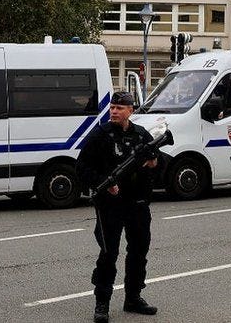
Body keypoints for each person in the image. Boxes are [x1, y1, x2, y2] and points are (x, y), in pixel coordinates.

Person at [76, 91, 160, 323]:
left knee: (138, 251)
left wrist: (154, 162)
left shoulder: (141, 135)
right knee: (108, 253)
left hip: (138, 204)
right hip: (109, 205)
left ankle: (133, 297)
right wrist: (104, 184)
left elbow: (158, 163)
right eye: (112, 107)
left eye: (119, 108)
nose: (114, 111)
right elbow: (82, 166)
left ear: (130, 111)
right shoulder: (101, 135)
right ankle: (102, 302)